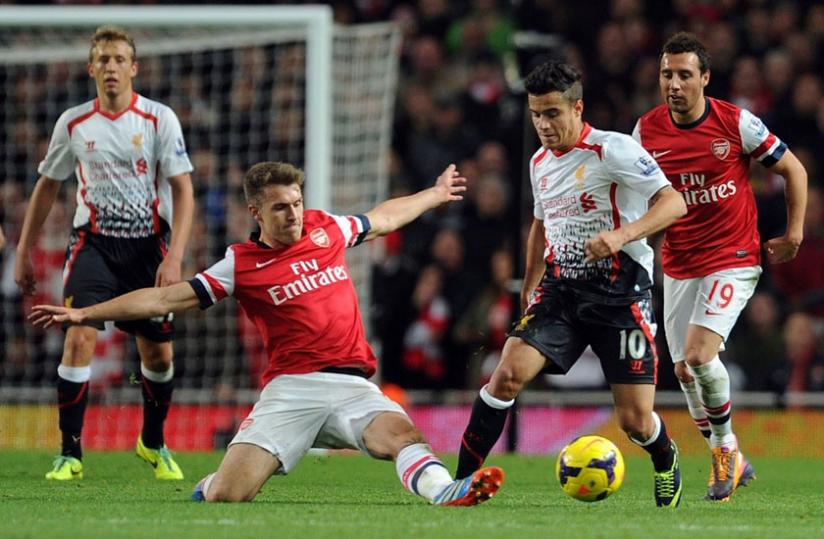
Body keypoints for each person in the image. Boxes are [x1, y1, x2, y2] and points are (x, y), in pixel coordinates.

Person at [30, 161, 505, 506]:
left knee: (401, 434)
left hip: (352, 384)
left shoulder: (326, 229)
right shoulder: (240, 264)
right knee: (228, 496)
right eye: (280, 208)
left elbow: (383, 218)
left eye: (296, 203)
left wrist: (435, 193)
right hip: (291, 389)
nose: (293, 215)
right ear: (256, 212)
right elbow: (163, 299)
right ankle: (213, 481)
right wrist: (84, 313)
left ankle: (444, 491)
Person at [454, 61, 688, 507]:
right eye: (536, 114)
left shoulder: (614, 150)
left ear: (577, 108)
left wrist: (620, 236)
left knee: (636, 421)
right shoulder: (539, 162)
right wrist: (530, 282)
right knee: (504, 376)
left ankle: (664, 458)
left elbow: (673, 203)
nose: (543, 124)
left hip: (622, 298)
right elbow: (541, 225)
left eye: (552, 113)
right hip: (561, 293)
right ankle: (460, 483)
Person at [632, 32, 808, 502]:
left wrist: (794, 233)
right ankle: (731, 456)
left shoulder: (735, 123)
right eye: (667, 74)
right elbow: (631, 196)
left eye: (685, 75)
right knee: (685, 372)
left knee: (699, 355)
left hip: (732, 255)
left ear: (704, 78)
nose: (674, 83)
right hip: (678, 262)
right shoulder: (645, 132)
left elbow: (794, 169)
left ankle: (725, 449)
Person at [14, 26, 195, 481]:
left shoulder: (158, 119)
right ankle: (70, 454)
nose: (111, 67)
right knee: (78, 337)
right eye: (103, 59)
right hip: (93, 243)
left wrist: (174, 256)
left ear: (133, 68)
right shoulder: (73, 123)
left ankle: (152, 442)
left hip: (148, 246)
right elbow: (47, 186)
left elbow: (184, 191)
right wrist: (23, 250)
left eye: (119, 59)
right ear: (90, 68)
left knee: (157, 357)